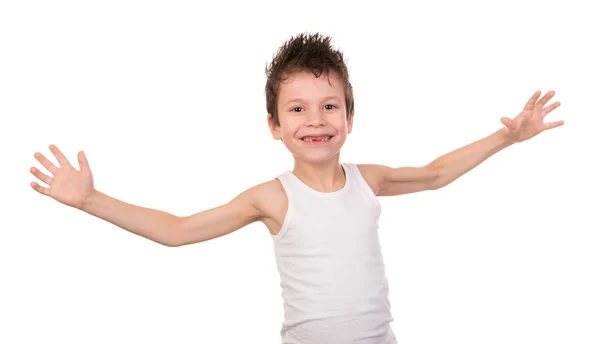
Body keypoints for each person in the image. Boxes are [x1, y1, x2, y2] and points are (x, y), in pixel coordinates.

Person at [29, 32, 564, 343]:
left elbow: (435, 174)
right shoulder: (272, 197)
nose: (316, 119)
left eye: (330, 106)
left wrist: (506, 137)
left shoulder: (368, 180)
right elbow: (178, 230)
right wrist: (91, 200)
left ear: (350, 118)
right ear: (275, 125)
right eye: (297, 108)